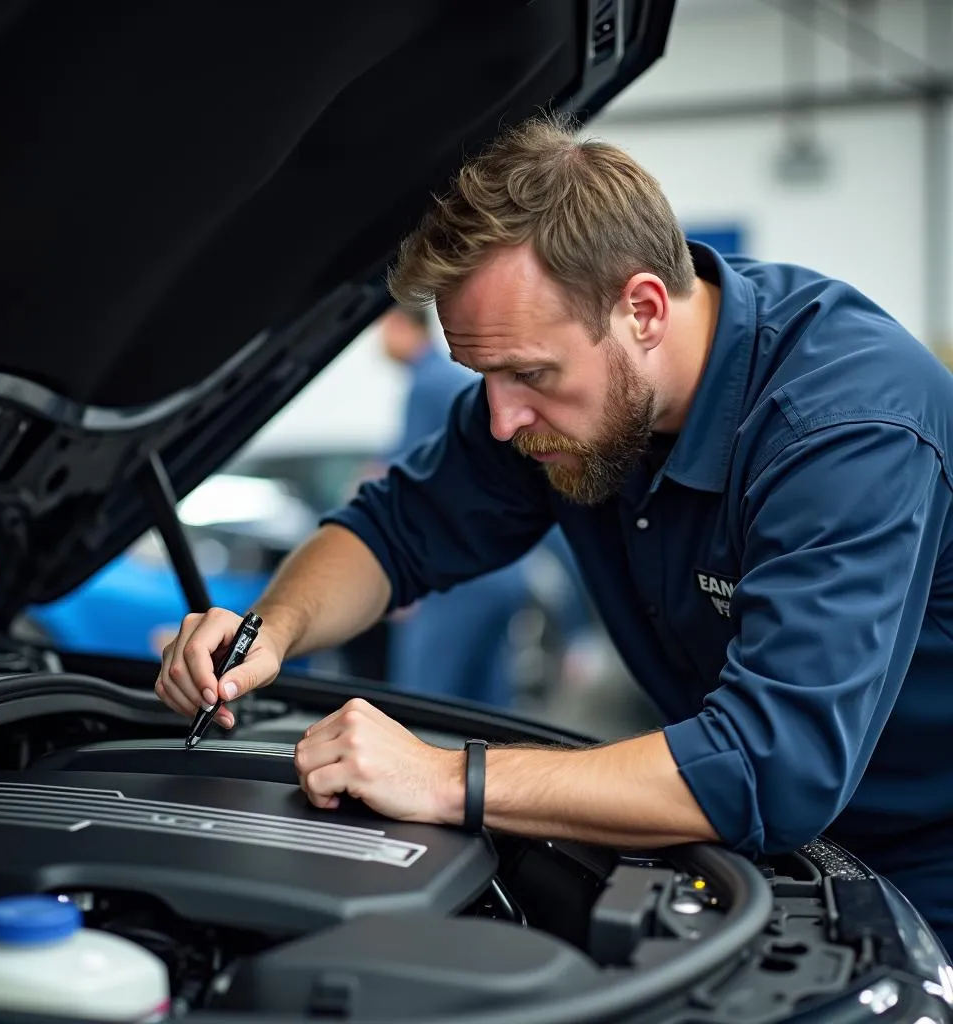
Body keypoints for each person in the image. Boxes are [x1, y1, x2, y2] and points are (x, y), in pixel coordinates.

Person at [155, 114, 953, 954]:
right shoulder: (567, 394)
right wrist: (267, 630)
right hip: (755, 846)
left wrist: (440, 777)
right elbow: (391, 532)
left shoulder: (846, 428)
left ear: (643, 309)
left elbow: (767, 767)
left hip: (928, 848)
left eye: (530, 374)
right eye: (482, 375)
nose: (501, 420)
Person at [377, 303, 529, 708]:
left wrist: (403, 580)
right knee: (488, 713)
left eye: (383, 330)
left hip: (455, 578)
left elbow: (408, 490)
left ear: (401, 327)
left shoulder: (426, 386)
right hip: (501, 575)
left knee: (423, 709)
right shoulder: (453, 381)